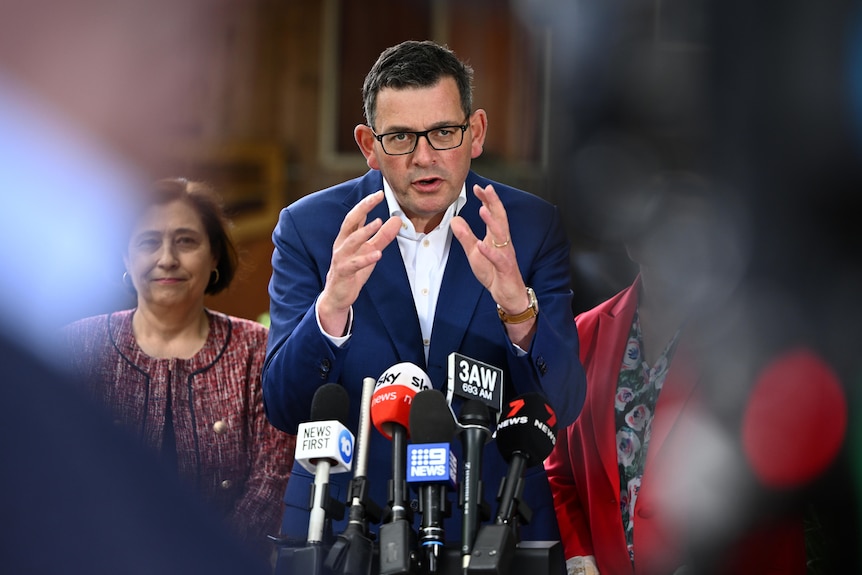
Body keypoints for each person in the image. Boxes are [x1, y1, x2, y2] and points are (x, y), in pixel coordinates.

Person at [262, 40, 586, 545]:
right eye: (400, 138)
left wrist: (519, 311)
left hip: (495, 522)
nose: (424, 156)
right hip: (346, 521)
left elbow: (562, 403)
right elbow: (285, 407)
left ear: (475, 132)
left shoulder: (529, 226)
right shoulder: (311, 228)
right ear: (369, 144)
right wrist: (331, 308)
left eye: (443, 132)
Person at [543, 173, 835, 575]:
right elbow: (559, 470)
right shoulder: (584, 335)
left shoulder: (757, 334)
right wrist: (580, 559)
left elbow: (786, 472)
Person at [61, 178, 295, 561]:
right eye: (148, 242)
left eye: (186, 241)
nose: (167, 258)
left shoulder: (259, 350)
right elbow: (53, 473)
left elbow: (271, 484)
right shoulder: (76, 348)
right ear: (125, 257)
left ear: (215, 255)